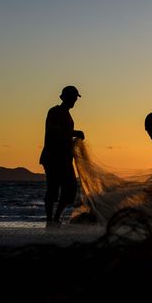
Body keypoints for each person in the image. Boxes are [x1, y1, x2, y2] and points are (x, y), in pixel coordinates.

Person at [39, 85, 85, 228]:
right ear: (64, 98)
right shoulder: (54, 111)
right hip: (53, 157)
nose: (74, 101)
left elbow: (64, 134)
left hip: (65, 158)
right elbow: (55, 131)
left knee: (70, 190)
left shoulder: (68, 115)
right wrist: (75, 132)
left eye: (75, 98)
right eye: (72, 98)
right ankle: (49, 220)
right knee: (53, 189)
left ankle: (55, 218)